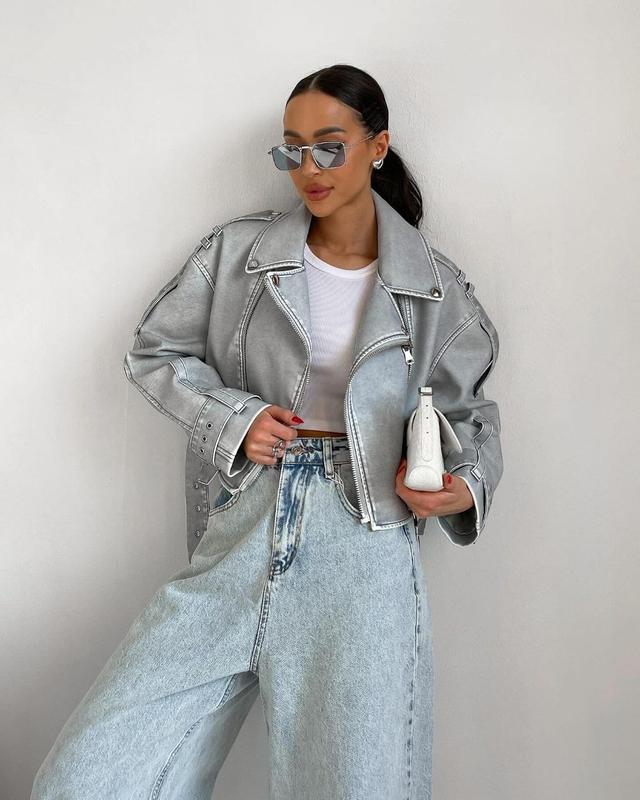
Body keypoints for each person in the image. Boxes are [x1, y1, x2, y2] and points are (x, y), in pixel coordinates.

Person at [31, 63, 503, 800]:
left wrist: (460, 487)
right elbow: (156, 352)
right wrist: (237, 418)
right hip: (243, 520)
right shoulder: (238, 256)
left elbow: (471, 415)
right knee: (89, 778)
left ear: (378, 146)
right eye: (292, 149)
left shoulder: (435, 286)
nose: (308, 168)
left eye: (330, 146)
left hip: (365, 548)